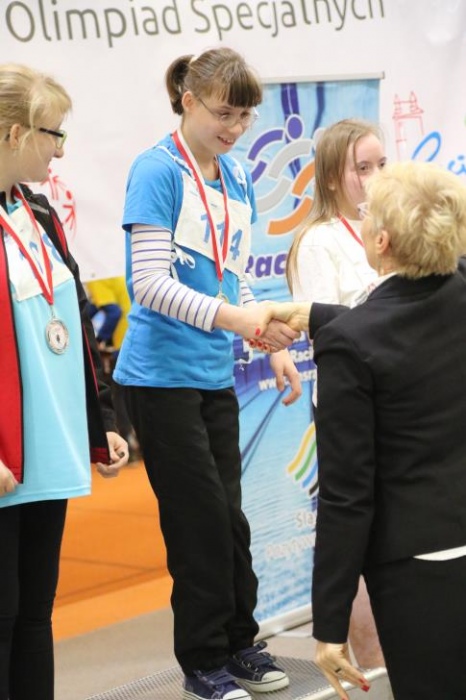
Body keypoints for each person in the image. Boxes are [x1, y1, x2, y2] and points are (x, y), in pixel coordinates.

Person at [113, 48, 300, 700]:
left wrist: (266, 339)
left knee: (231, 520)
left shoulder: (238, 176)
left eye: (245, 117)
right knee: (198, 524)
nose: (235, 128)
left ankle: (241, 642)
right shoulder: (156, 170)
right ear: (189, 101)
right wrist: (239, 320)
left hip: (214, 373)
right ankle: (203, 663)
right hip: (158, 379)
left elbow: (234, 271)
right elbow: (148, 284)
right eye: (224, 113)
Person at [267, 161, 466, 699]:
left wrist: (329, 626)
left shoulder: (351, 344)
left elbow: (346, 494)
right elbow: (406, 319)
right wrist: (314, 314)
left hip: (416, 569)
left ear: (380, 241)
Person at [0, 63, 128, 700]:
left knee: (34, 613)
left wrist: (101, 420)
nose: (60, 150)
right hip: (5, 458)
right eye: (54, 134)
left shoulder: (38, 211)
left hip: (46, 450)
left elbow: (73, 321)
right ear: (15, 134)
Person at [286, 118, 387, 669]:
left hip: (402, 406)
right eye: (361, 168)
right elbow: (327, 329)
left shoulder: (390, 225)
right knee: (356, 538)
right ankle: (371, 667)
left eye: (381, 165)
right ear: (330, 178)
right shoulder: (317, 242)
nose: (374, 177)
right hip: (352, 411)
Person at [86, 276, 141, 461]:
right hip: (139, 342)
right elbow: (91, 309)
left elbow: (113, 311)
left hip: (123, 346)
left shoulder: (96, 276)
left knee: (118, 398)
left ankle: (128, 446)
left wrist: (99, 340)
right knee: (134, 397)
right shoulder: (115, 274)